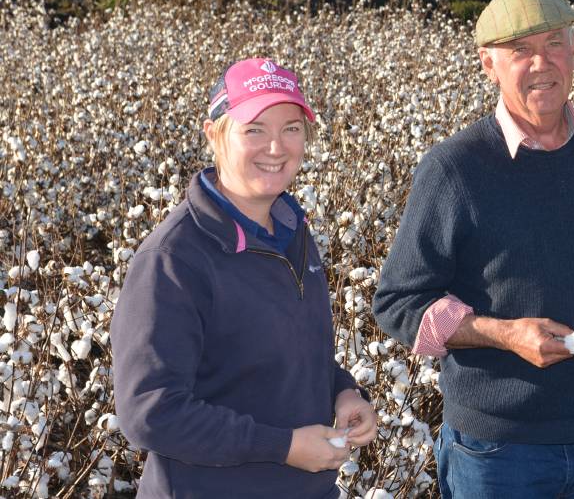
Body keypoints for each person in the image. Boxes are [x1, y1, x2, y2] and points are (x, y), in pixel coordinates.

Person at [372, 0, 574, 499]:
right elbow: (400, 302)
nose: (542, 63)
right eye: (520, 50)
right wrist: (504, 334)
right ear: (488, 64)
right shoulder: (455, 169)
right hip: (493, 453)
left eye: (555, 43)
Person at [112, 58, 378, 498]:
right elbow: (150, 412)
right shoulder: (174, 258)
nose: (276, 147)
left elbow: (284, 350)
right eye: (254, 128)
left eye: (291, 128)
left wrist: (343, 393)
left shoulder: (292, 230)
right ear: (214, 134)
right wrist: (284, 446)